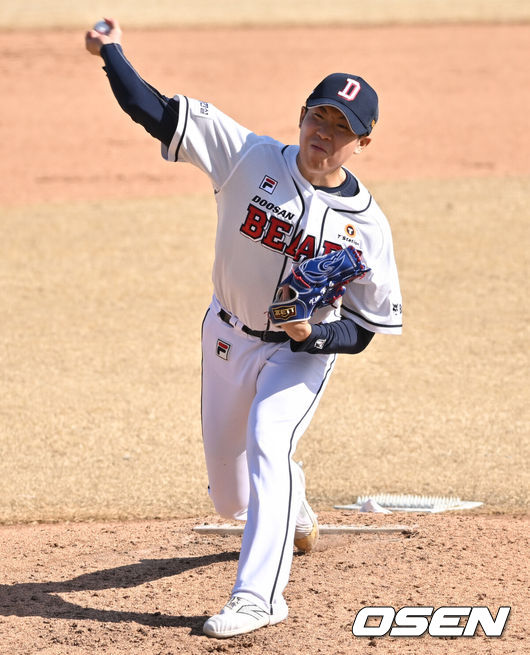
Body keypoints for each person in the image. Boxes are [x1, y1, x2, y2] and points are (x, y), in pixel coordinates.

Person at [85, 18, 403, 639]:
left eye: (343, 129)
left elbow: (364, 328)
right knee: (231, 501)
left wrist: (313, 337)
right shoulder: (248, 155)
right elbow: (156, 111)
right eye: (320, 117)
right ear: (303, 114)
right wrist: (111, 50)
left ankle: (260, 597)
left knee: (269, 438)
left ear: (363, 143)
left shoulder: (368, 228)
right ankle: (294, 508)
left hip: (299, 357)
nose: (325, 134)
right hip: (226, 337)